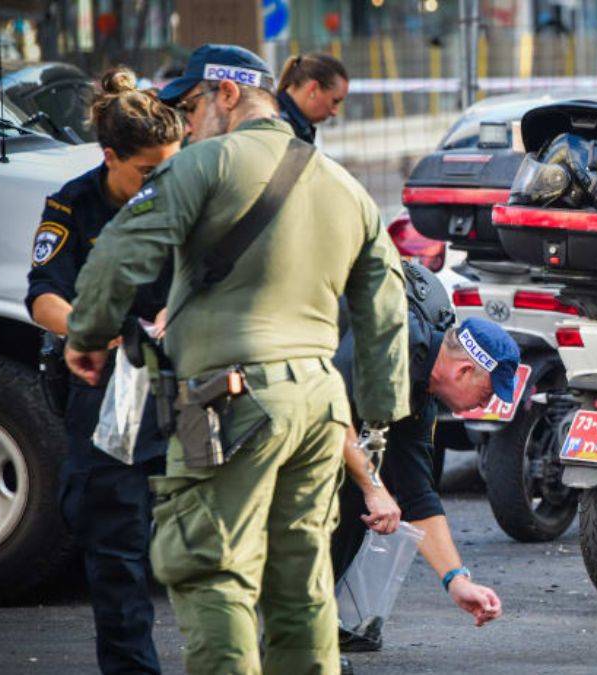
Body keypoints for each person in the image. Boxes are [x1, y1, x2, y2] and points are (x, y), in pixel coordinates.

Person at [63, 44, 410, 674]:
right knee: (302, 582)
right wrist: (380, 413)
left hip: (227, 401)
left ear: (226, 93)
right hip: (320, 408)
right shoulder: (347, 187)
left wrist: (86, 334)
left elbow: (120, 254)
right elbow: (386, 309)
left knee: (212, 569)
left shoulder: (205, 165)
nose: (188, 126)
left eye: (191, 108)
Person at [25, 67, 181, 675]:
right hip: (110, 382)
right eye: (146, 170)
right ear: (110, 157)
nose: (160, 181)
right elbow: (44, 296)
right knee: (115, 542)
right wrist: (90, 328)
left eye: (171, 167)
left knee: (211, 537)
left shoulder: (186, 195)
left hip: (186, 379)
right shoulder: (74, 204)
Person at [330, 265, 508, 652]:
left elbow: (418, 495)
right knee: (350, 487)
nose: (486, 405)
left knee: (367, 488)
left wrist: (457, 581)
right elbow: (328, 410)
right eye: (488, 392)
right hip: (267, 390)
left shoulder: (422, 390)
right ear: (464, 371)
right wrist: (373, 488)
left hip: (319, 408)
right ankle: (293, 632)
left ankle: (316, 617)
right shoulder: (393, 339)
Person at [276, 52, 350, 144]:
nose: (334, 112)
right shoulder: (279, 129)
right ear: (313, 89)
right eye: (335, 101)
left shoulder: (293, 127)